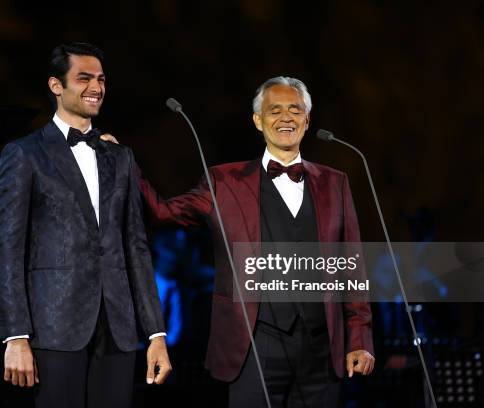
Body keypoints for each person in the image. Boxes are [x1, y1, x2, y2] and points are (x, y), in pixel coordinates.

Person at [133, 77, 375, 407]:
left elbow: (353, 266)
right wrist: (125, 166)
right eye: (275, 110)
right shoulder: (224, 181)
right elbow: (162, 212)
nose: (286, 117)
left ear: (307, 120)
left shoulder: (336, 182)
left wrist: (359, 337)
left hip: (322, 348)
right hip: (253, 347)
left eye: (295, 109)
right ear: (258, 121)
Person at [0, 42, 171, 408]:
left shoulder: (120, 156)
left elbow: (135, 246)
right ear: (56, 85)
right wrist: (15, 336)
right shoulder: (24, 154)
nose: (96, 87)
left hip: (118, 328)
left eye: (101, 79)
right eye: (84, 78)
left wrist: (156, 333)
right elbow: (6, 249)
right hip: (53, 328)